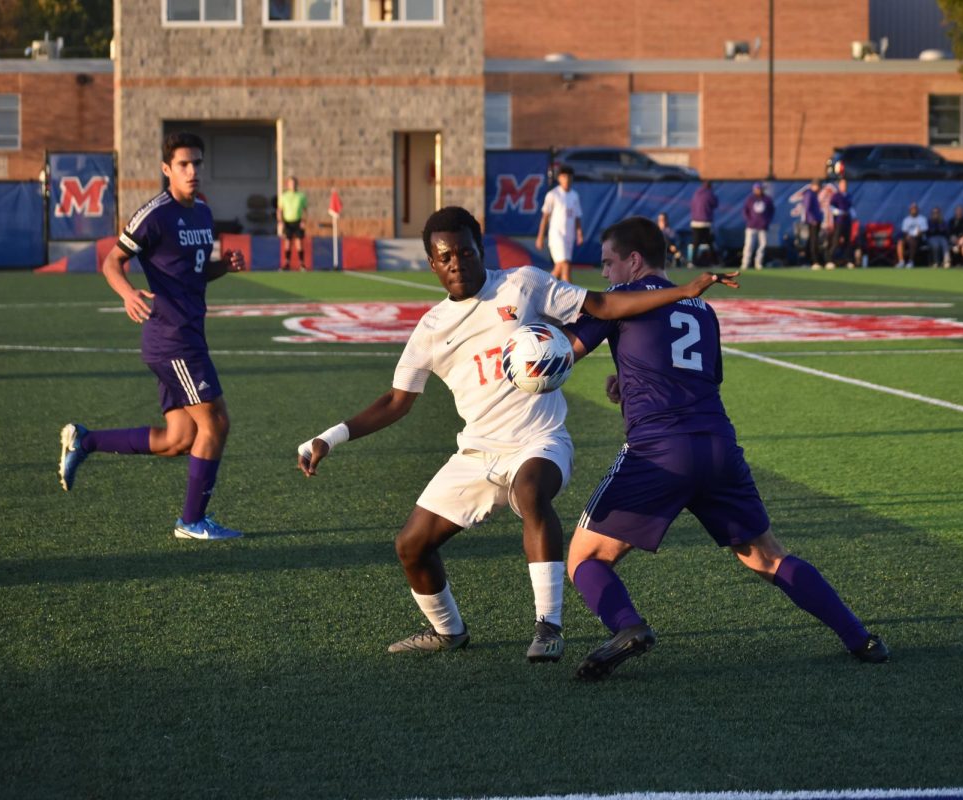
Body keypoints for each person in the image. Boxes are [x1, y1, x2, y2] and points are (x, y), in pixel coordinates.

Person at [296, 206, 730, 662]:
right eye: (445, 257)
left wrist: (682, 291)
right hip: (478, 450)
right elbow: (395, 402)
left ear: (481, 249)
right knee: (411, 545)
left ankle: (549, 627)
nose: (457, 263)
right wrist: (330, 437)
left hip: (540, 439)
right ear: (432, 263)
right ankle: (449, 632)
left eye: (465, 251)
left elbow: (601, 305)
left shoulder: (522, 283)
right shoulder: (430, 329)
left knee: (530, 493)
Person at [561, 216, 888, 680]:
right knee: (768, 557)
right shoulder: (700, 309)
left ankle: (627, 626)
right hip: (718, 446)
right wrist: (628, 381)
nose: (606, 275)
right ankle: (861, 638)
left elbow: (560, 354)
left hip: (659, 452)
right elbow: (701, 376)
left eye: (609, 263)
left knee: (586, 559)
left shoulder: (618, 301)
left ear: (634, 261)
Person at [57, 131, 246, 540]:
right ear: (167, 169)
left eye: (197, 162)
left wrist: (224, 266)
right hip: (172, 337)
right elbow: (112, 262)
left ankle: (85, 442)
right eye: (183, 164)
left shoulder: (203, 212)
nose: (192, 170)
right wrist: (127, 294)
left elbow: (195, 271)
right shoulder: (154, 214)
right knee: (215, 424)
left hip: (189, 332)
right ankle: (191, 522)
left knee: (178, 439)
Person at [536, 166, 583, 283]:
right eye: (564, 177)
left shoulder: (574, 195)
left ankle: (543, 286)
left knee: (559, 267)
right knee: (565, 264)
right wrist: (540, 237)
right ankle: (570, 295)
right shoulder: (553, 195)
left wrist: (579, 233)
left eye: (569, 177)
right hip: (556, 235)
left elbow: (576, 216)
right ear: (559, 178)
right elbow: (545, 217)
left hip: (569, 236)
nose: (567, 179)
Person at [278, 176, 309, 271]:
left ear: (296, 184)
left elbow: (305, 210)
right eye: (291, 183)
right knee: (287, 242)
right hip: (287, 222)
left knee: (299, 242)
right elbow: (280, 210)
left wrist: (303, 221)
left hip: (298, 221)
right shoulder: (284, 196)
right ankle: (286, 263)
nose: (293, 185)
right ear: (288, 184)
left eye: (294, 183)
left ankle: (302, 264)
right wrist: (280, 222)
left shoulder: (301, 196)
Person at [742, 181, 774, 270]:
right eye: (756, 189)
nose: (758, 190)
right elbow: (745, 211)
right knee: (748, 245)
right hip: (751, 226)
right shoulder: (750, 199)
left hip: (762, 227)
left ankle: (758, 263)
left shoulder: (767, 199)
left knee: (763, 245)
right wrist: (749, 221)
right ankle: (745, 263)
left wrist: (767, 221)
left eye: (759, 189)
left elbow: (771, 211)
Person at [825, 178, 856, 269]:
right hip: (839, 222)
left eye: (845, 185)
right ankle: (829, 260)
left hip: (847, 222)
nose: (844, 186)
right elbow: (831, 207)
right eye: (842, 185)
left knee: (847, 242)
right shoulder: (836, 196)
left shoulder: (848, 196)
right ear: (839, 185)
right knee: (835, 241)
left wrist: (853, 215)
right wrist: (839, 212)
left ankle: (848, 261)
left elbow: (851, 207)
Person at [688, 181, 720, 266]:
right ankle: (715, 262)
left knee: (696, 244)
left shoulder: (696, 194)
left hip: (695, 222)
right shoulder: (709, 194)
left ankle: (692, 262)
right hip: (706, 223)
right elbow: (715, 203)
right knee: (711, 243)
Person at [896, 202, 927, 268]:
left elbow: (923, 231)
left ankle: (911, 261)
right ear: (910, 210)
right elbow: (904, 231)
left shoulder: (922, 219)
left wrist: (918, 233)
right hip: (908, 238)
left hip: (919, 239)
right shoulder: (906, 220)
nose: (914, 210)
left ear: (917, 210)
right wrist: (907, 236)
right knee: (900, 242)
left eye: (915, 209)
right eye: (912, 209)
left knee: (913, 240)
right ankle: (901, 262)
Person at [802, 178, 824, 269]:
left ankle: (807, 260)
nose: (819, 188)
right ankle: (814, 261)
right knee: (813, 241)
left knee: (812, 240)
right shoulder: (809, 193)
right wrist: (812, 219)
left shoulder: (814, 194)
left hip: (816, 220)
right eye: (818, 186)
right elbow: (807, 208)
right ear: (814, 186)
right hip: (813, 222)